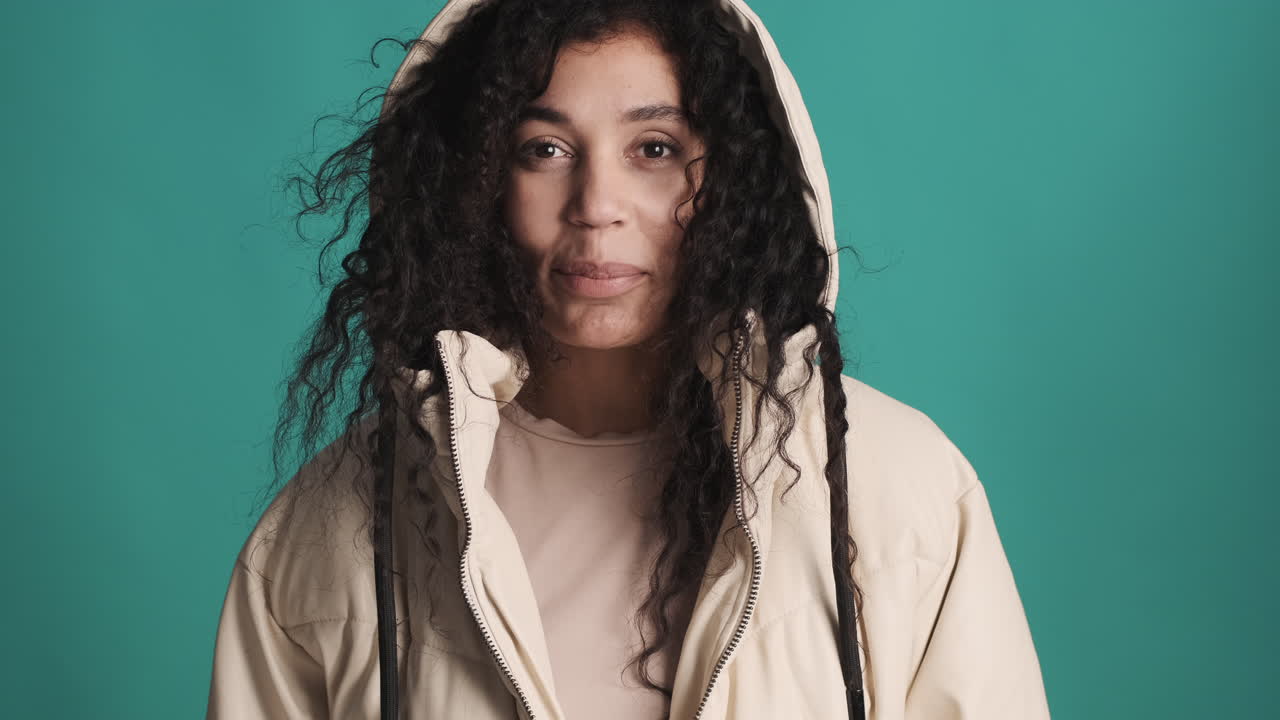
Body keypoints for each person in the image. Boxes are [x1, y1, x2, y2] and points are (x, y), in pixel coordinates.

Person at [205, 0, 1052, 718]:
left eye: (654, 149)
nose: (596, 206)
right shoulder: (329, 527)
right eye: (544, 149)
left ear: (736, 181)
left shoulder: (896, 484)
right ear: (474, 182)